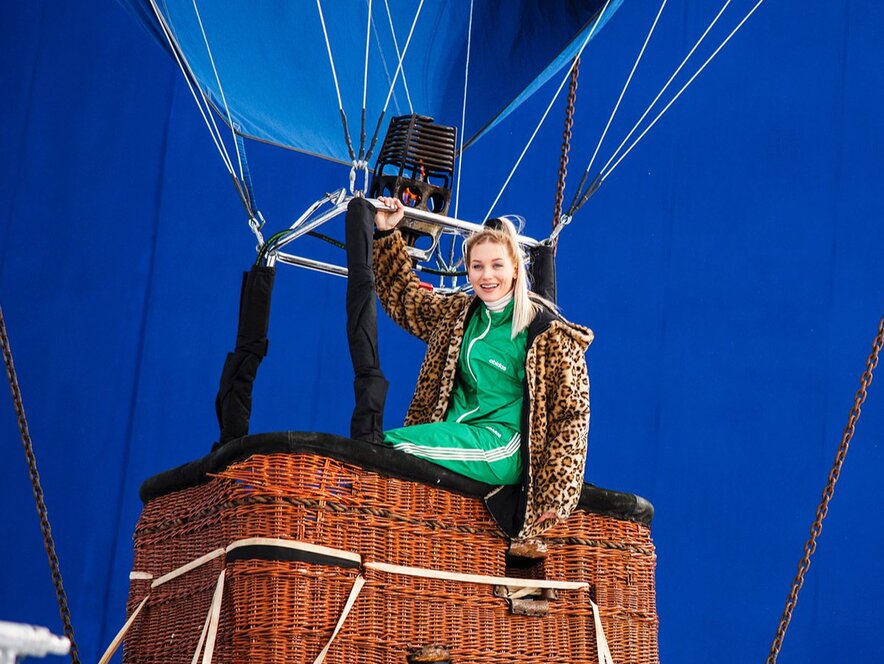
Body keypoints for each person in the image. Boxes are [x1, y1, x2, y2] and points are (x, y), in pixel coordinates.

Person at [345, 195, 593, 539]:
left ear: (515, 269)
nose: (487, 276)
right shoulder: (461, 315)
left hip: (505, 445)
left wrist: (557, 494)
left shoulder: (546, 332)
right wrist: (387, 234)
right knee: (386, 453)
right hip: (458, 432)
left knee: (383, 449)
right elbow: (406, 301)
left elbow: (572, 413)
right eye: (477, 266)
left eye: (497, 265)